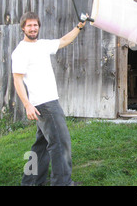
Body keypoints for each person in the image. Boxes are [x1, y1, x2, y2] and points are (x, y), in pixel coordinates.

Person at [12, 11, 86, 186]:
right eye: (29, 25)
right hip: (44, 104)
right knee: (60, 144)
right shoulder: (20, 51)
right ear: (23, 28)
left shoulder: (42, 45)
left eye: (35, 25)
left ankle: (31, 182)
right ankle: (63, 183)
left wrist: (79, 26)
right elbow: (17, 79)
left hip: (48, 102)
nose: (32, 28)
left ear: (39, 26)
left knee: (41, 146)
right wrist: (27, 104)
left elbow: (64, 41)